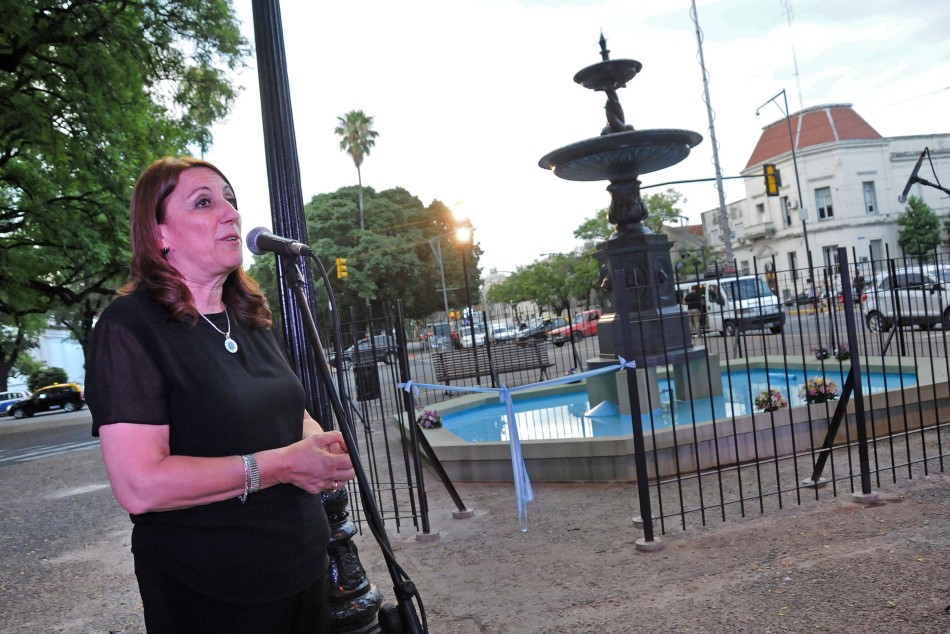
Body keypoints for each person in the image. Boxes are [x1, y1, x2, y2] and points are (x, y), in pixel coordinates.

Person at [85, 156, 355, 633]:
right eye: (205, 202)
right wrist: (282, 465)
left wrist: (318, 448)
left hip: (303, 569)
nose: (230, 213)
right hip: (211, 592)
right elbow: (140, 485)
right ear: (159, 235)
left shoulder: (248, 315)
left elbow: (291, 409)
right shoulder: (129, 327)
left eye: (231, 200)